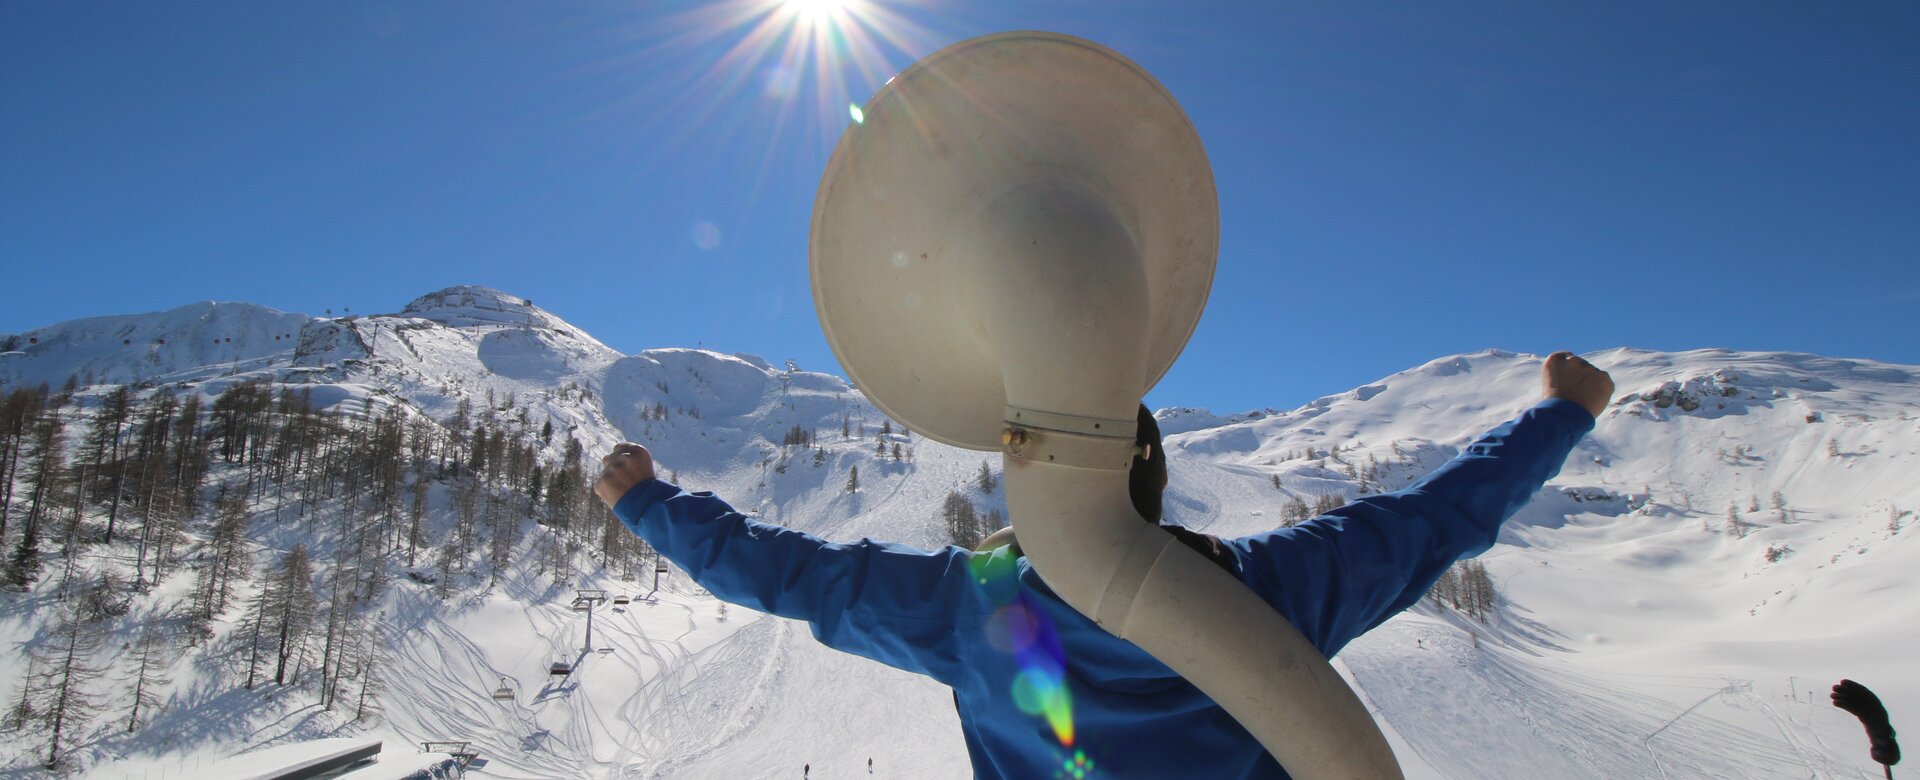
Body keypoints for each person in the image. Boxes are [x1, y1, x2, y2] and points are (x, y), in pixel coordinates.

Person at [595, 352, 1614, 778]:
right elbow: (1438, 518)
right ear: (1156, 481)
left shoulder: (973, 609)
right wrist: (1563, 412)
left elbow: (792, 573)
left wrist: (648, 503)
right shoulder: (1278, 588)